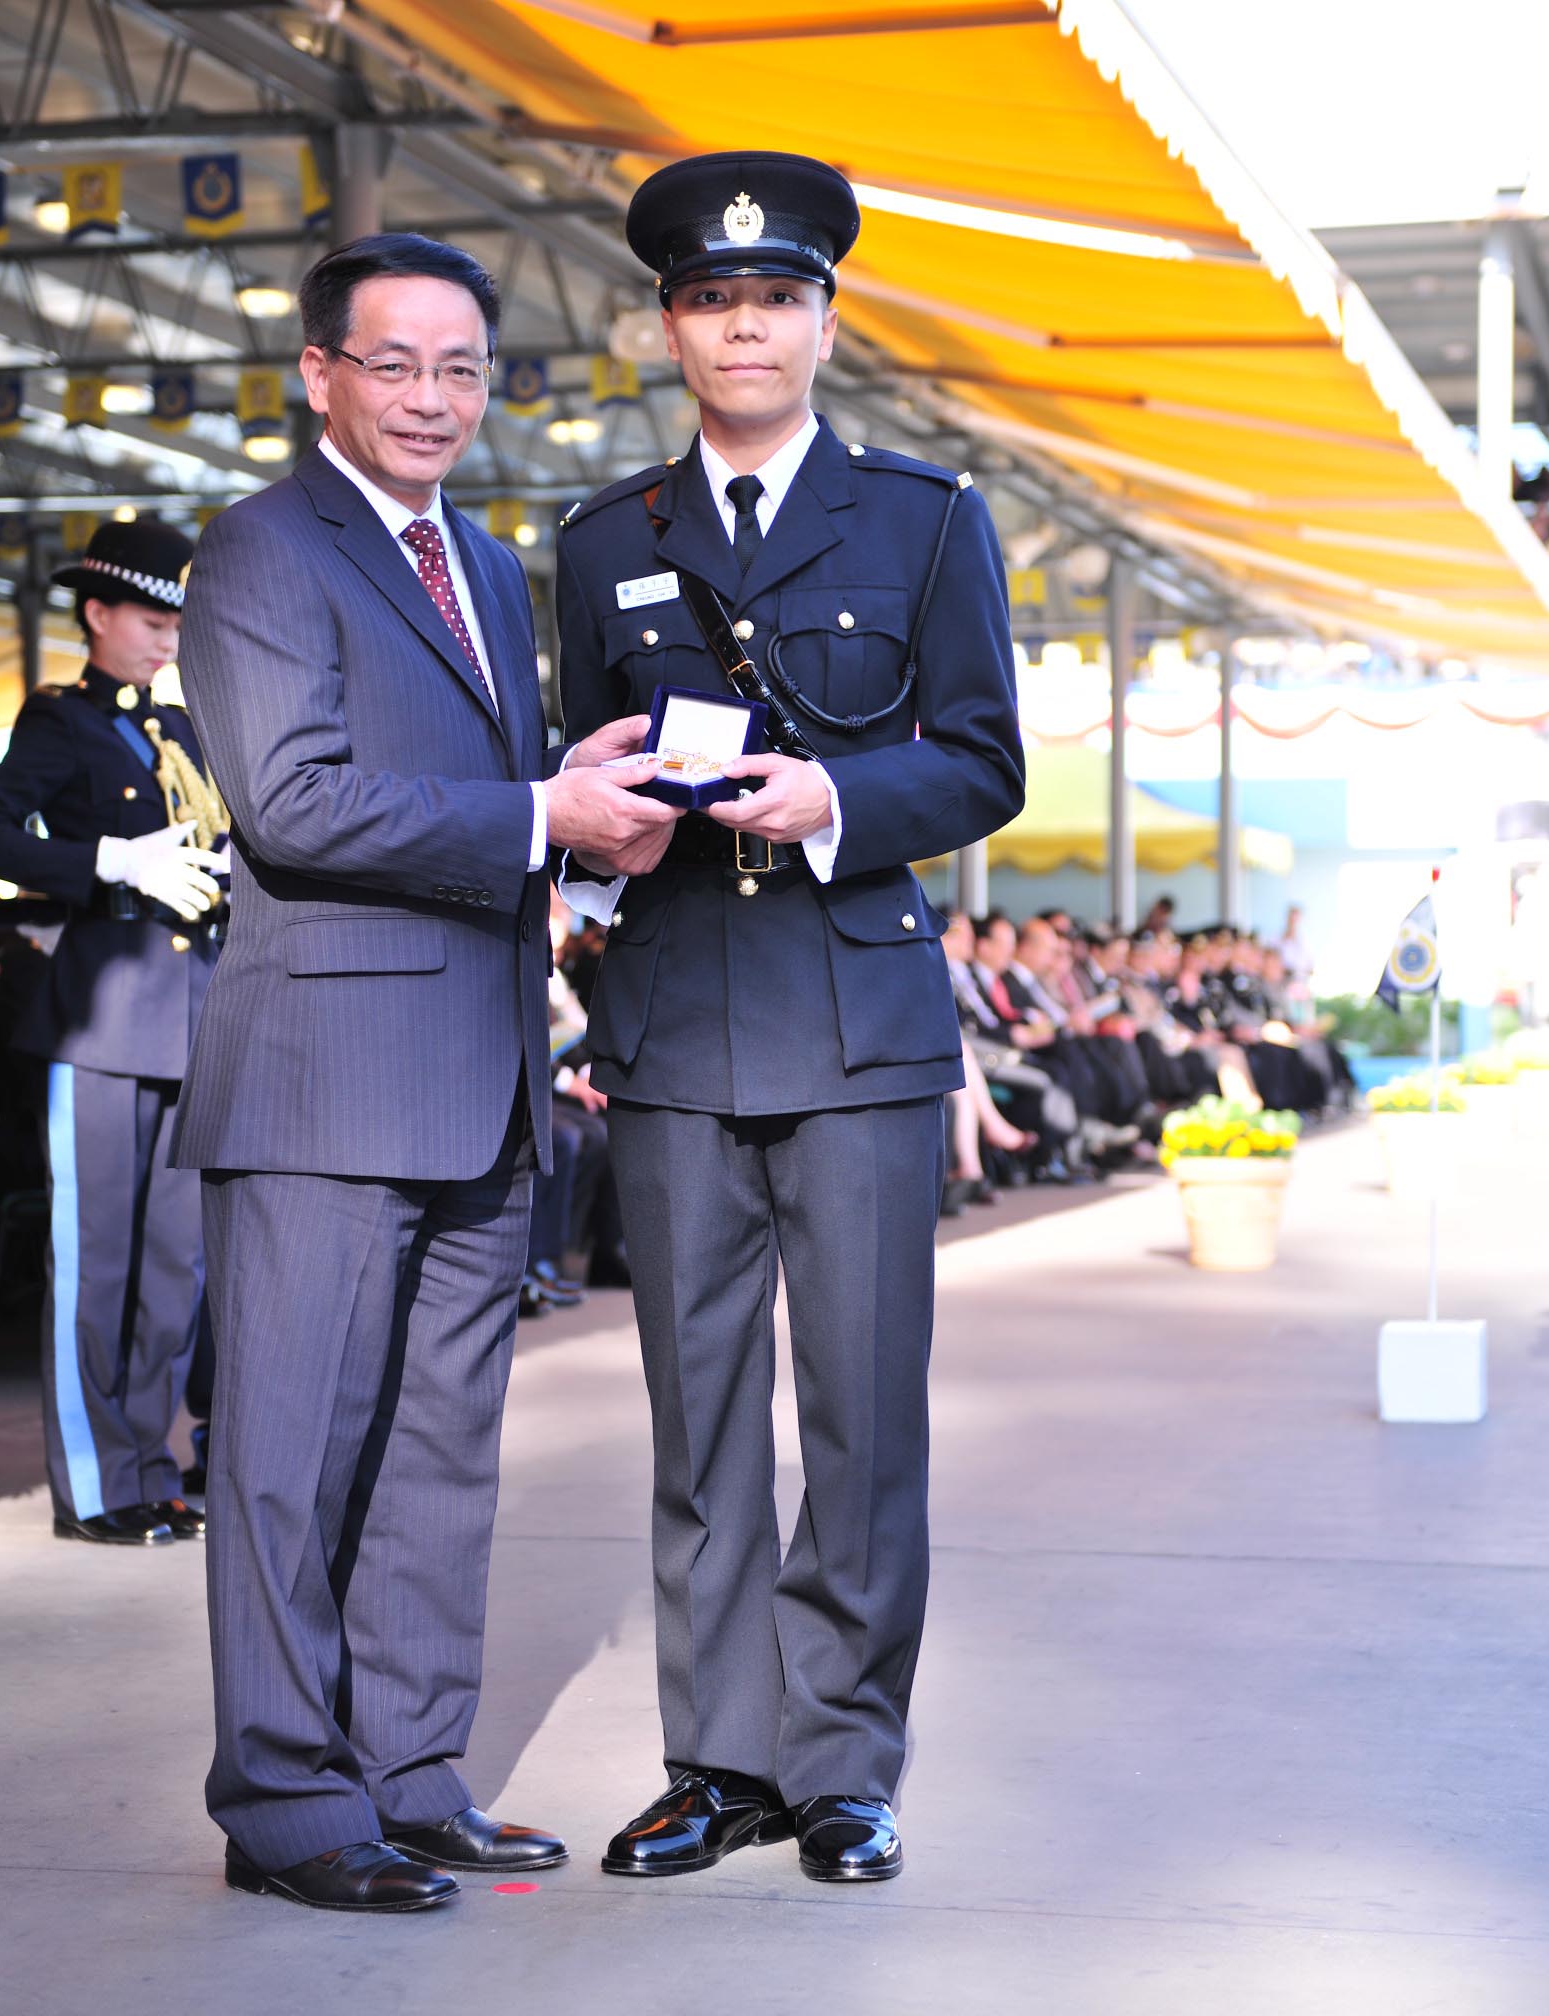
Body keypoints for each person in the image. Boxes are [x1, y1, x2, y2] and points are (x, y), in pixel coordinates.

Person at [172, 231, 677, 1916]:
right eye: (392, 362)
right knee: (289, 1459)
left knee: (434, 1459)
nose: (431, 396)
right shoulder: (259, 551)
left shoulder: (473, 556)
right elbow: (293, 803)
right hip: (324, 1082)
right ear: (316, 374)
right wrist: (540, 815)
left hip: (472, 1079)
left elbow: (442, 792)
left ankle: (404, 1772)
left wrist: (557, 775)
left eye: (459, 366)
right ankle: (285, 1800)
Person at [553, 151, 1023, 1886]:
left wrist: (826, 800)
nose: (741, 326)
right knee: (694, 1415)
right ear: (669, 323)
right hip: (673, 1022)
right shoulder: (604, 539)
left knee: (857, 1415)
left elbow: (982, 758)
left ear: (824, 319)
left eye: (773, 298)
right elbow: (586, 765)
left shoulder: (923, 518)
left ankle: (840, 1763)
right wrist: (590, 819)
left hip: (854, 1026)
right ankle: (717, 1761)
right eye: (707, 300)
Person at [0, 518, 225, 1511]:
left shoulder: (184, 731)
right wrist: (112, 861)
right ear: (97, 612)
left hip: (194, 1018)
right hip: (104, 1019)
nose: (165, 639)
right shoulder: (59, 722)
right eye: (149, 618)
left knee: (174, 1269)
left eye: (175, 623)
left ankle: (150, 1467)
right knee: (95, 1264)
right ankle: (94, 1482)